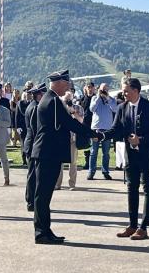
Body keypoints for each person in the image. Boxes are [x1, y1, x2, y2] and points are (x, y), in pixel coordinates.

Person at [31, 70, 101, 244]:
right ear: (59, 82)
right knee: (43, 196)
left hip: (48, 153)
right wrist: (92, 133)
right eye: (67, 83)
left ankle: (45, 231)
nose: (69, 86)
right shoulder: (53, 101)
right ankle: (41, 233)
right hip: (47, 153)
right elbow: (68, 124)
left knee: (45, 196)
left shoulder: (51, 99)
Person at [102, 78, 149, 240]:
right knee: (131, 188)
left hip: (147, 154)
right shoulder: (122, 108)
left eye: (126, 91)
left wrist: (140, 139)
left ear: (136, 91)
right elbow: (115, 129)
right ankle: (132, 224)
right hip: (131, 156)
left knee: (148, 188)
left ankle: (143, 227)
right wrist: (101, 136)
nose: (123, 93)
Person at [24, 83, 47, 211]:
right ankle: (31, 201)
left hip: (32, 144)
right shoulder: (35, 108)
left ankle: (31, 200)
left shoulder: (33, 106)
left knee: (33, 174)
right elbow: (35, 129)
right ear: (38, 95)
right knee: (33, 175)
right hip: (33, 145)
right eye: (43, 94)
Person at [88, 82, 117, 180]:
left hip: (107, 129)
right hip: (96, 128)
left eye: (106, 89)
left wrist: (107, 98)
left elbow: (115, 109)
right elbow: (92, 109)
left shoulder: (111, 99)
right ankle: (91, 172)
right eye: (102, 89)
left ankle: (105, 171)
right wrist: (98, 96)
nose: (104, 91)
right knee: (93, 152)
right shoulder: (94, 98)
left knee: (106, 153)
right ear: (99, 89)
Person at [55, 90, 84, 190]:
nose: (67, 101)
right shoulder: (58, 108)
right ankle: (57, 184)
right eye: (65, 99)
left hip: (73, 138)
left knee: (73, 162)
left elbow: (81, 121)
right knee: (59, 163)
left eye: (69, 99)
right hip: (60, 139)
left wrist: (72, 111)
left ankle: (72, 184)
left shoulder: (78, 108)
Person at [79, 82, 95, 169]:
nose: (90, 89)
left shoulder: (96, 98)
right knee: (86, 144)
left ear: (94, 88)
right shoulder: (83, 99)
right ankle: (87, 162)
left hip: (94, 123)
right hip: (85, 123)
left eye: (91, 87)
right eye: (88, 87)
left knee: (94, 144)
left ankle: (92, 163)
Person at [16, 89, 32, 165]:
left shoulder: (33, 103)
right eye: (27, 93)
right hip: (22, 127)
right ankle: (24, 159)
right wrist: (17, 127)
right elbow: (17, 115)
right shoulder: (20, 103)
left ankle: (30, 158)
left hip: (31, 127)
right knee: (23, 143)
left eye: (29, 93)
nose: (28, 95)